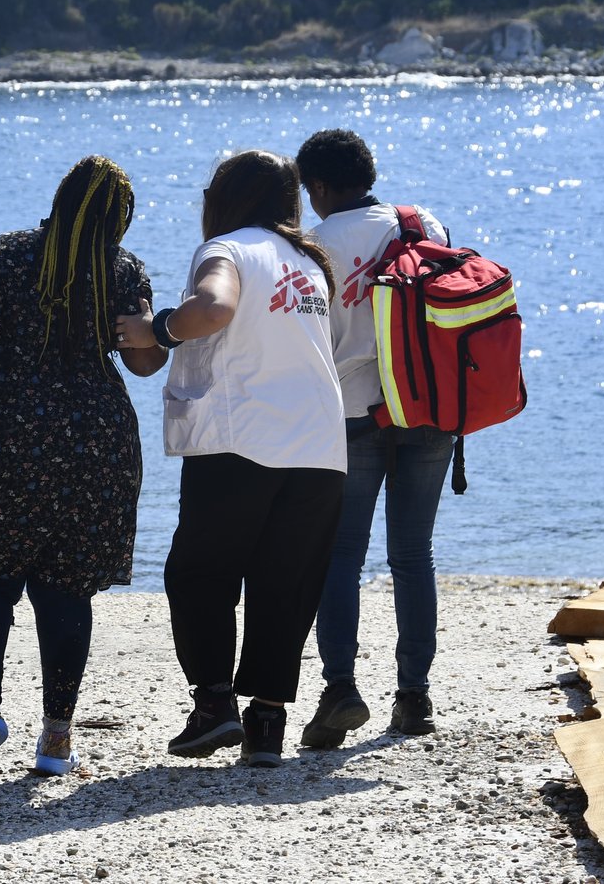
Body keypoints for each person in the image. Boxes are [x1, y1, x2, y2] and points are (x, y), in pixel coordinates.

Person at [0, 156, 166, 777]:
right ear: (120, 216)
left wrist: (17, 386)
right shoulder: (124, 269)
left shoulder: (7, 252)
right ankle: (56, 738)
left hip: (6, 423)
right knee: (65, 586)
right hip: (95, 434)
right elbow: (142, 364)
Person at [116, 150, 346, 768]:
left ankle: (214, 706)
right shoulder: (309, 263)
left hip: (240, 439)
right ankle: (267, 724)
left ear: (225, 199)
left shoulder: (229, 249)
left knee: (198, 575)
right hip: (321, 448)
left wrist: (157, 329)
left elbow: (214, 308)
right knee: (285, 585)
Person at [293, 128, 454, 748]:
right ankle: (414, 698)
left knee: (341, 558)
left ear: (322, 187)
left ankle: (340, 690)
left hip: (354, 415)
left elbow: (310, 337)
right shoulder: (423, 224)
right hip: (429, 410)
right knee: (413, 556)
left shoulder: (314, 246)